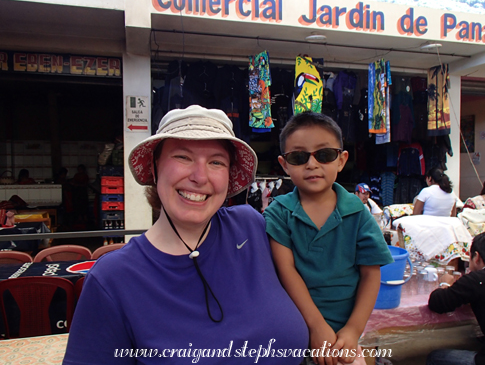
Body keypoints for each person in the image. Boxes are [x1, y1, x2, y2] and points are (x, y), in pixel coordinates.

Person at [63, 105, 308, 365]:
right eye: (183, 157)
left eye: (216, 162)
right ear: (155, 168)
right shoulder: (113, 280)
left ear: (228, 176)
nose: (200, 177)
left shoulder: (251, 227)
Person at [263, 112, 393, 365]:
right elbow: (286, 271)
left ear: (341, 160)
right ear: (284, 164)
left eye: (324, 155)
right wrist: (315, 325)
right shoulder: (278, 213)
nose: (312, 164)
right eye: (299, 157)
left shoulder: (358, 213)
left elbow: (371, 274)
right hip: (295, 331)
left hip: (347, 332)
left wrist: (354, 329)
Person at [427, 231, 485, 365]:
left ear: (477, 257)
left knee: (435, 357)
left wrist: (444, 283)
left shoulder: (478, 280)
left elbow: (437, 303)